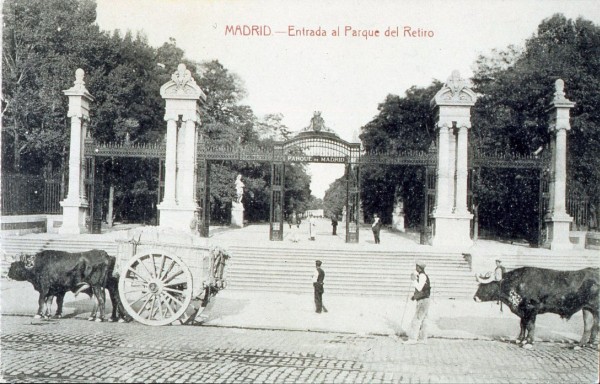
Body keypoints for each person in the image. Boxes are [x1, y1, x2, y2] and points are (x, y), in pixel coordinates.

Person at [405, 261, 431, 344]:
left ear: (419, 267)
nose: (415, 268)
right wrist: (414, 296)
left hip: (423, 301)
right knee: (424, 319)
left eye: (416, 266)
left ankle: (412, 339)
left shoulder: (422, 276)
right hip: (425, 299)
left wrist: (413, 280)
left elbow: (419, 288)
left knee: (417, 319)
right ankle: (423, 339)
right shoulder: (422, 275)